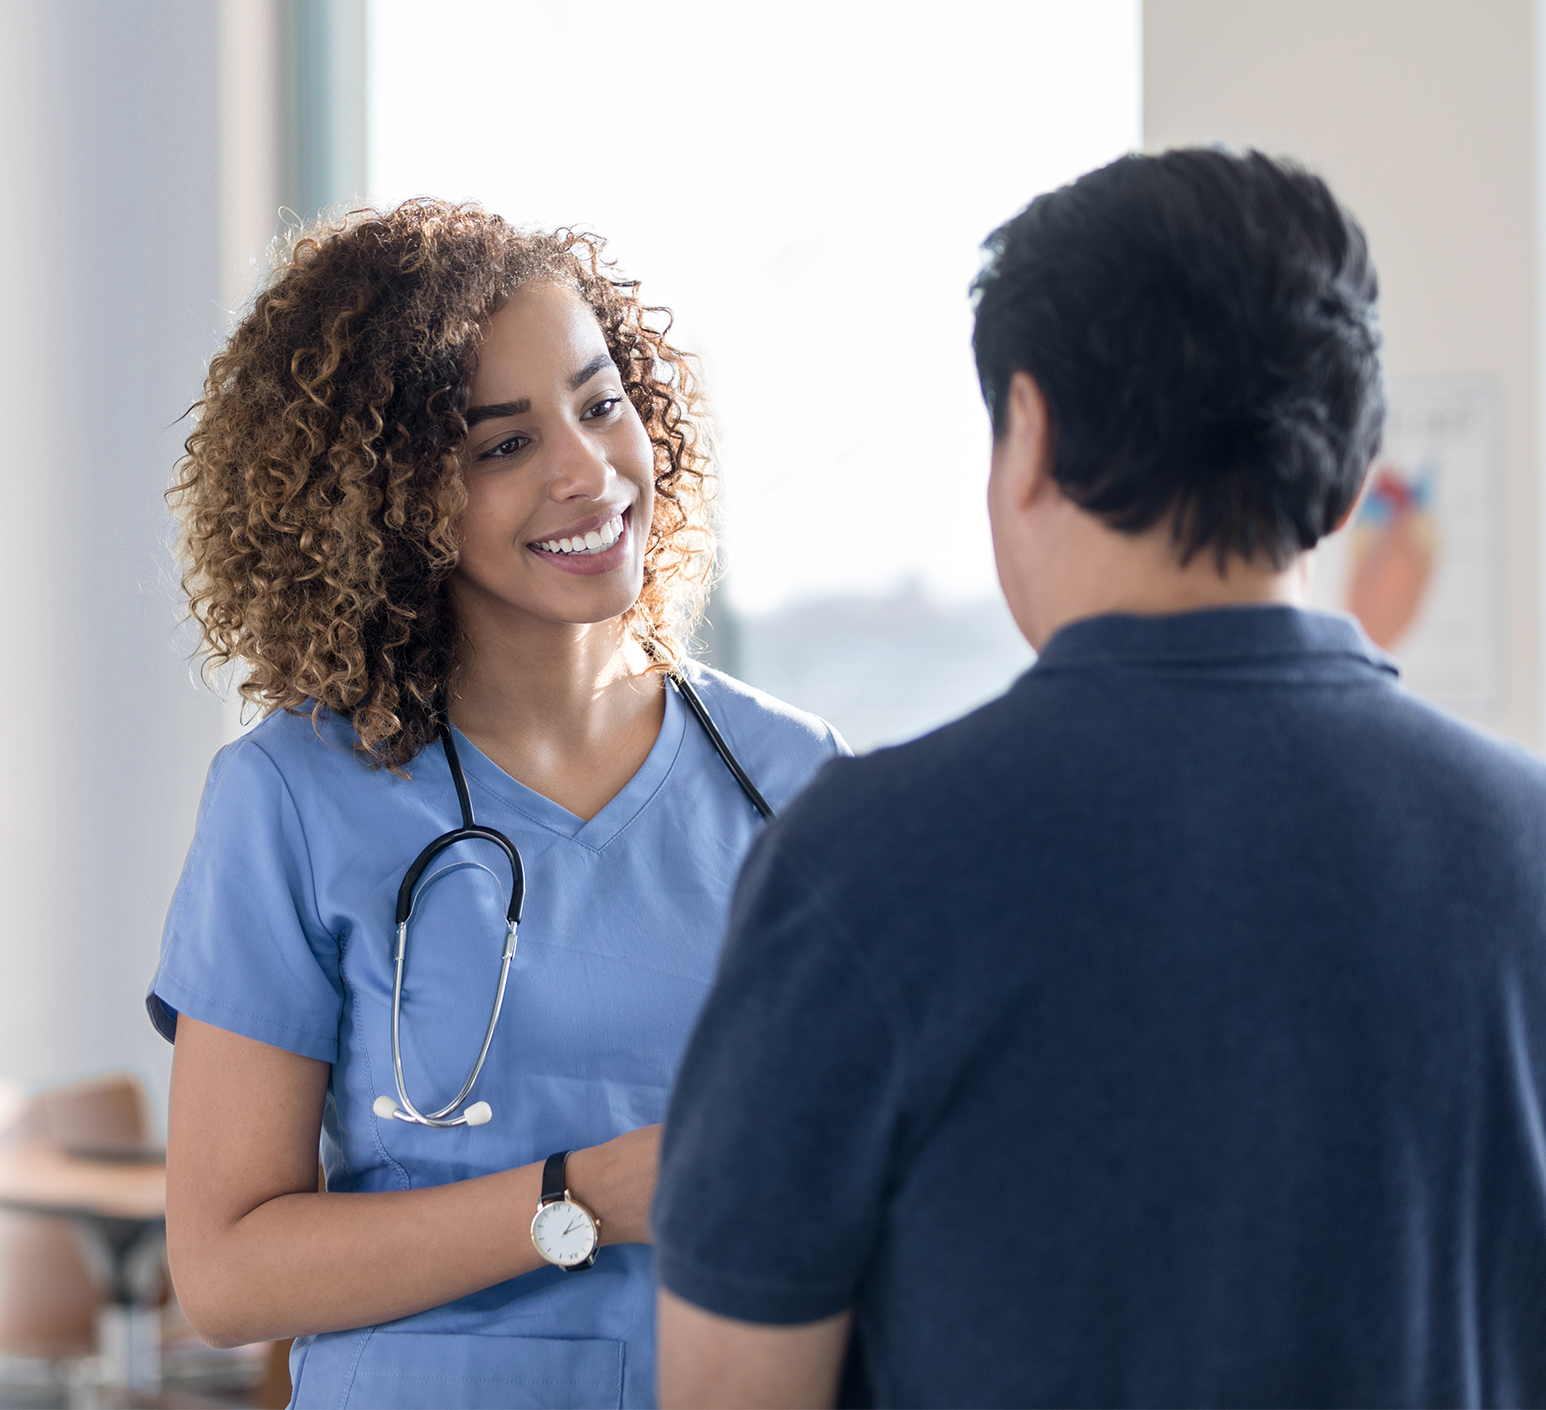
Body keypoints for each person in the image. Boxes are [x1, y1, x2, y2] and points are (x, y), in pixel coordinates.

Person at [650, 149, 1546, 1407]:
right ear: (1353, 473)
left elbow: (732, 1390)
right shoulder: (1525, 845)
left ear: (1031, 430)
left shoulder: (866, 863)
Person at [148, 200, 844, 1409]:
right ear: (387, 500)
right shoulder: (295, 799)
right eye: (504, 445)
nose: (588, 470)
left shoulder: (792, 778)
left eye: (600, 404)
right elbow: (225, 1274)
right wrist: (583, 1197)